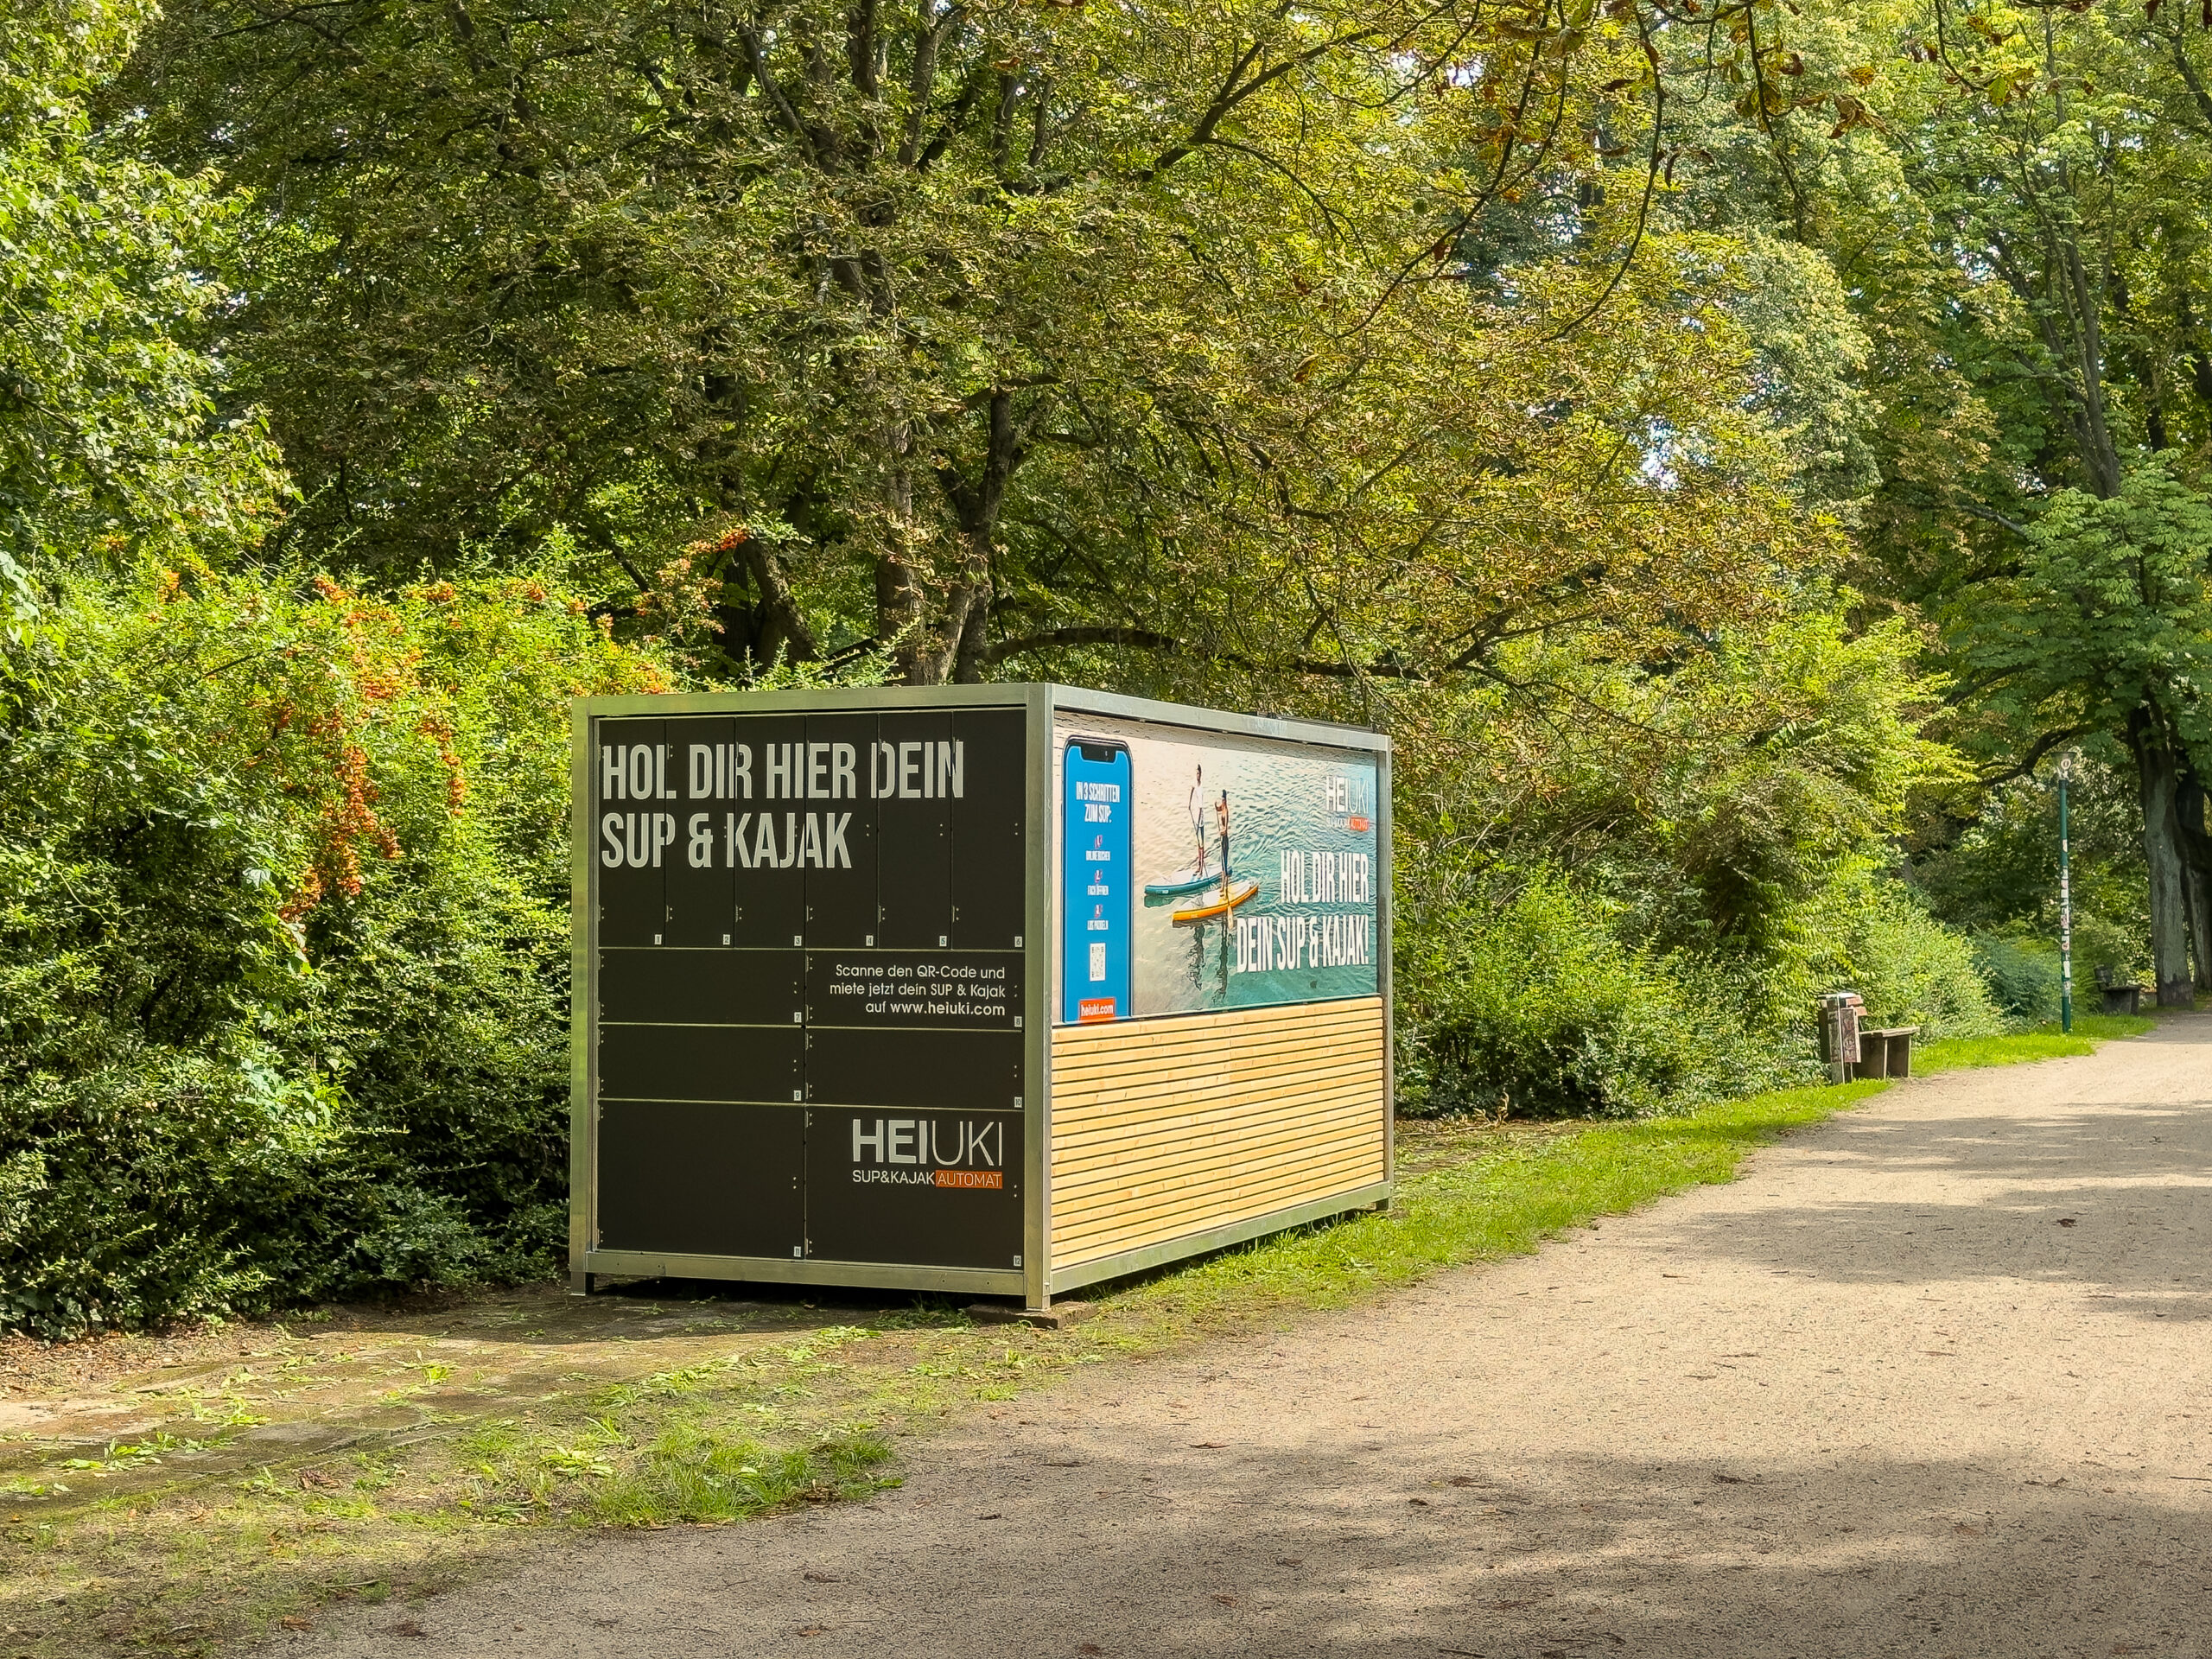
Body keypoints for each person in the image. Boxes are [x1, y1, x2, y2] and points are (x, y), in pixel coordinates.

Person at [1186, 764, 1209, 879]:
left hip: (1200, 820)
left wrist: (1199, 821)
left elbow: (1200, 808)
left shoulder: (1201, 789)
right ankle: (1198, 865)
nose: (1197, 775)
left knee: (1201, 845)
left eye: (1199, 773)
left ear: (1201, 774)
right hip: (1195, 817)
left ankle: (1201, 869)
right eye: (1196, 773)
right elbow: (1191, 789)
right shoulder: (1195, 783)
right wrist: (1189, 803)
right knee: (1197, 845)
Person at [1215, 788, 1231, 887]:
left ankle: (1225, 884)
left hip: (1225, 840)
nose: (1222, 802)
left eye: (1223, 800)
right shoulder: (1222, 807)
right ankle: (1222, 885)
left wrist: (1221, 832)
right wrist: (1215, 805)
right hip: (1222, 839)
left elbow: (1225, 829)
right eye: (1222, 800)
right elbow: (1218, 809)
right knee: (1221, 862)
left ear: (1226, 800)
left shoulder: (1226, 811)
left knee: (1224, 862)